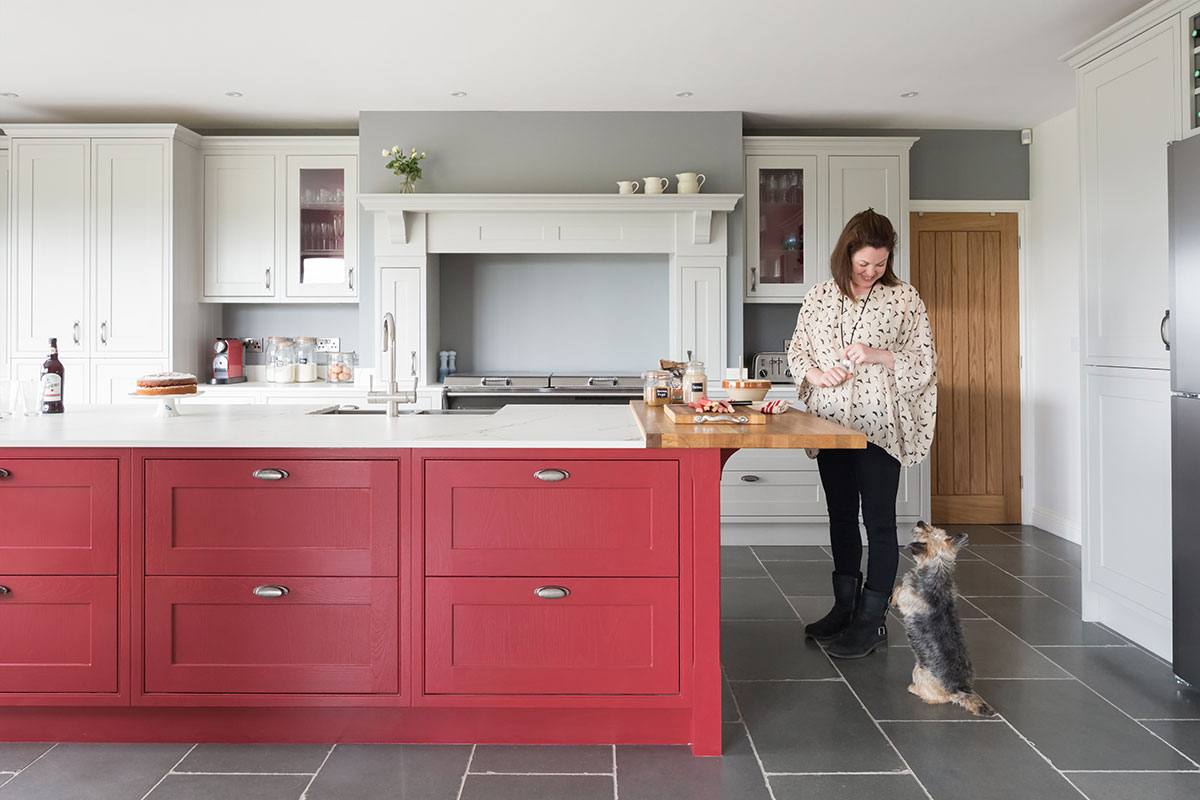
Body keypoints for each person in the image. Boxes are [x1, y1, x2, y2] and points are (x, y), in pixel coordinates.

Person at [786, 208, 937, 659]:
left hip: (880, 425)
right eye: (863, 264)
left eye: (880, 263)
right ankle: (844, 608)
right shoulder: (818, 296)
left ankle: (872, 622)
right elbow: (797, 349)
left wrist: (878, 353)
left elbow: (924, 363)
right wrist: (814, 375)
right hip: (832, 423)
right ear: (846, 254)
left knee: (879, 521)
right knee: (839, 515)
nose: (872, 272)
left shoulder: (904, 298)